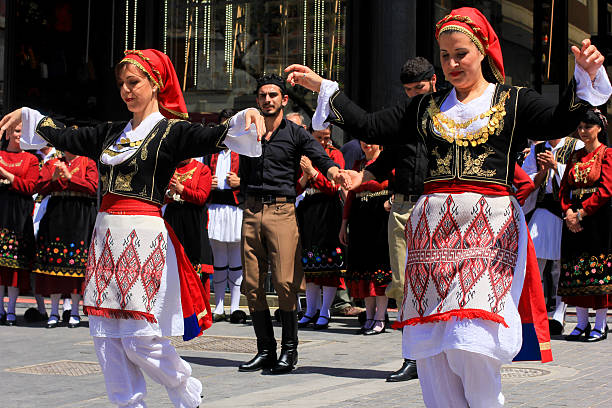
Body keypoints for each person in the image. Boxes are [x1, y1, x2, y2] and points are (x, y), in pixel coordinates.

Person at [285, 6, 610, 406]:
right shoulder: (426, 106)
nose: (452, 63)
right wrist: (323, 88)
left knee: (470, 341)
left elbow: (560, 120)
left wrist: (586, 77)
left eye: (461, 54)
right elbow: (369, 125)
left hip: (489, 234)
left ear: (483, 53)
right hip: (431, 236)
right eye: (445, 55)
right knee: (434, 349)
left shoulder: (512, 102)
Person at [0, 48, 266, 408]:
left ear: (155, 84)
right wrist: (30, 116)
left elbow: (214, 134)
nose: (126, 90)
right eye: (121, 83)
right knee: (107, 337)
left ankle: (183, 386)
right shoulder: (110, 133)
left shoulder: (172, 132)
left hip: (143, 238)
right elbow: (65, 136)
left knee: (140, 337)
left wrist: (247, 113)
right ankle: (127, 404)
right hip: (105, 238)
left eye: (133, 82)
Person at [238, 73, 350, 375]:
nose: (267, 100)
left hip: (282, 211)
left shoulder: (295, 133)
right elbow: (224, 136)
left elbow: (318, 155)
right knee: (251, 285)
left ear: (284, 100)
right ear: (257, 100)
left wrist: (335, 171)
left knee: (286, 283)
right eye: (262, 95)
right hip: (251, 212)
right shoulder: (248, 131)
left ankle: (289, 351)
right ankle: (265, 350)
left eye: (273, 95)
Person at [361, 56, 435, 382]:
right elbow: (380, 164)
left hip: (437, 211)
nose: (414, 95)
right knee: (404, 287)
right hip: (402, 211)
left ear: (434, 82)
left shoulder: (450, 120)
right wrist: (350, 177)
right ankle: (411, 358)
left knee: (436, 288)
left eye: (419, 88)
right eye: (408, 90)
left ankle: (438, 358)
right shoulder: (402, 122)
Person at [558, 109, 612, 342]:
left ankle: (600, 325)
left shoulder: (607, 154)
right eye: (580, 127)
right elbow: (563, 187)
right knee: (574, 269)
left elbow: (606, 189)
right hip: (574, 217)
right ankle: (580, 324)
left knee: (597, 271)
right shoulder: (575, 155)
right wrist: (568, 212)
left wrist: (581, 213)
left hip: (597, 218)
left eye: (587, 127)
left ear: (599, 128)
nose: (583, 132)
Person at [522, 134, 583, 334]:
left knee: (560, 264)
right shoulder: (537, 150)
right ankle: (535, 313)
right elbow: (527, 180)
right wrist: (543, 172)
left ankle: (559, 314)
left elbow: (581, 175)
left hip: (567, 209)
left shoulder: (576, 146)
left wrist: (556, 165)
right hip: (544, 206)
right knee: (534, 259)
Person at [33, 151, 98, 329]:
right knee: (54, 263)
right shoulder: (52, 163)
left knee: (76, 265)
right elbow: (38, 187)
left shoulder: (88, 162)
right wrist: (53, 179)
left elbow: (93, 187)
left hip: (80, 215)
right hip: (57, 214)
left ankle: (74, 311)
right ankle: (54, 311)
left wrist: (70, 177)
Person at [296, 126, 346, 330]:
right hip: (308, 209)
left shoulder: (335, 155)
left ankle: (325, 311)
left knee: (329, 263)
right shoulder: (303, 155)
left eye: (327, 138)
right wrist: (306, 176)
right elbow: (296, 186)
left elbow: (334, 186)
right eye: (319, 138)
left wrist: (313, 173)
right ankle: (310, 310)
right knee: (310, 263)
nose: (324, 143)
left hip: (328, 210)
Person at [340, 141, 392, 335]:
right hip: (360, 217)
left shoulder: (387, 161)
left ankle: (380, 318)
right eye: (364, 141)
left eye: (371, 141)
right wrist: (344, 223)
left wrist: (392, 197)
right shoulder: (358, 165)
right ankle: (369, 317)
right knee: (363, 268)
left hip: (380, 215)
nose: (367, 145)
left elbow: (393, 183)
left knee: (380, 268)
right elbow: (351, 196)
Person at [205, 109, 247, 324]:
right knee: (219, 259)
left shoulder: (246, 151)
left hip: (237, 208)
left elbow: (254, 179)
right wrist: (206, 184)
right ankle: (219, 305)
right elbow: (199, 174)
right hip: (216, 207)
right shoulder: (209, 151)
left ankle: (235, 307)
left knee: (236, 260)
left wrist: (241, 182)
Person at [163, 157, 214, 310]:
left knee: (195, 266)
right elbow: (160, 196)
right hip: (173, 220)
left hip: (194, 223)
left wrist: (182, 189)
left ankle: (196, 310)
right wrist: (170, 194)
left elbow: (201, 197)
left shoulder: (202, 169)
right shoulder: (170, 167)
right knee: (172, 264)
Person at [0, 124, 38, 326]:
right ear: (7, 133)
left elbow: (31, 186)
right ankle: (0, 308)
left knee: (15, 264)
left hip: (19, 213)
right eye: (16, 131)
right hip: (1, 208)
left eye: (23, 133)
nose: (19, 136)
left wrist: (7, 176)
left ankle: (12, 309)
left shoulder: (30, 159)